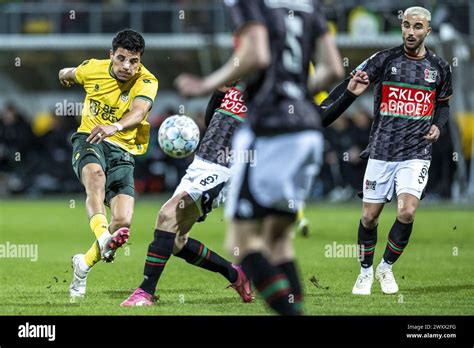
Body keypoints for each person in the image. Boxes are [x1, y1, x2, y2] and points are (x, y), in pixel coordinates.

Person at [176, 0, 347, 315]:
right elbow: (334, 69)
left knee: (242, 243)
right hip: (306, 133)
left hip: (270, 133)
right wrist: (294, 94)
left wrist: (206, 84)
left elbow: (256, 54)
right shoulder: (308, 8)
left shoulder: (250, 3)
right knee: (278, 240)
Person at [322, 7, 453, 295]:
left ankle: (386, 267)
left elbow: (442, 105)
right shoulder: (384, 59)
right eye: (406, 25)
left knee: (407, 212)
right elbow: (351, 86)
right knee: (369, 217)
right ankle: (365, 272)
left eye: (417, 27)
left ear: (427, 31)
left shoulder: (440, 67)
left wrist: (438, 127)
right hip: (382, 149)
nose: (410, 31)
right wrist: (339, 102)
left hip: (417, 151)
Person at [120, 82, 255, 306]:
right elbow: (213, 120)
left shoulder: (272, 91)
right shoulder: (240, 80)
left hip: (224, 168)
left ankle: (145, 292)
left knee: (166, 215)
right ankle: (235, 274)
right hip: (201, 163)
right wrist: (217, 92)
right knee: (175, 240)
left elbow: (322, 116)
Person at [58, 29, 159, 298]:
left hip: (123, 150)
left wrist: (114, 126)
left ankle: (83, 265)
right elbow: (69, 73)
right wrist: (64, 75)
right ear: (111, 55)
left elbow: (138, 112)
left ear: (140, 61)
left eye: (134, 61)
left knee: (123, 220)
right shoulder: (93, 69)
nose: (127, 66)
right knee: (95, 177)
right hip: (89, 138)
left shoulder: (147, 81)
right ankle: (104, 239)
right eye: (122, 59)